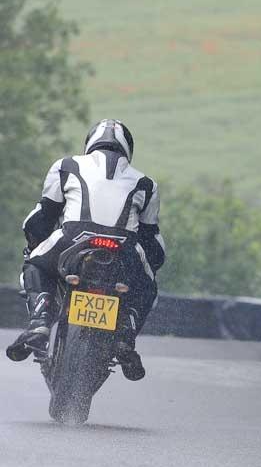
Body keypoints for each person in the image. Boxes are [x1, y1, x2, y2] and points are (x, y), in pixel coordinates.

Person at [6, 119, 165, 381]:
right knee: (148, 286)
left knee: (35, 264)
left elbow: (42, 217)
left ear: (89, 144)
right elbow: (152, 242)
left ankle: (40, 323)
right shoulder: (146, 184)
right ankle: (125, 336)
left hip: (74, 238)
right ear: (128, 150)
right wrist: (148, 270)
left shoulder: (66, 165)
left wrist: (34, 246)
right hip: (124, 248)